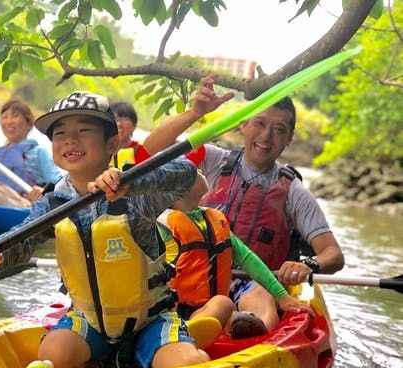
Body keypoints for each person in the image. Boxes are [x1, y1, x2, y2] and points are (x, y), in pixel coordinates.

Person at [0, 90, 212, 368]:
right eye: (60, 134)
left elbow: (188, 176)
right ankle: (96, 362)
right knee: (51, 355)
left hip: (150, 320)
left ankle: (185, 353)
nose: (70, 139)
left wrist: (132, 181)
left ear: (112, 143)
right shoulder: (53, 202)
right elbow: (21, 242)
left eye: (83, 130)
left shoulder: (136, 189)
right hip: (89, 321)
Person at [144, 73, 345, 337]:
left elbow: (333, 254)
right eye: (259, 123)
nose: (266, 136)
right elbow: (149, 150)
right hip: (195, 279)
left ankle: (247, 327)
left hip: (255, 281)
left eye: (279, 129)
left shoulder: (294, 192)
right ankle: (195, 329)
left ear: (289, 138)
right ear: (244, 125)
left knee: (260, 295)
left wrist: (308, 265)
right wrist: (195, 113)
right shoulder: (212, 160)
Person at [156, 171, 314, 336]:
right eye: (194, 172)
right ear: (178, 190)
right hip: (176, 310)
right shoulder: (163, 227)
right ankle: (185, 334)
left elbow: (247, 259)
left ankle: (250, 332)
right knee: (224, 304)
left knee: (224, 305)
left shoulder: (213, 220)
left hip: (211, 308)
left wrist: (282, 296)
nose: (200, 171)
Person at [109, 101, 151, 169]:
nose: (119, 124)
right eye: (115, 120)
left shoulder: (141, 150)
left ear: (134, 125)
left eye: (124, 119)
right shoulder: (102, 152)